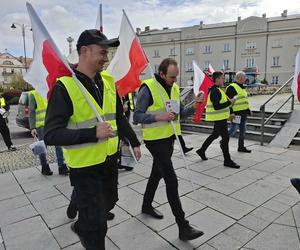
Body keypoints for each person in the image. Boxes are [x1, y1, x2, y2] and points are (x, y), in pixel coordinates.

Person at [44, 29, 141, 250]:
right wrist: (92, 133)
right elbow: (50, 134)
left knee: (109, 203)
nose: (106, 59)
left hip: (108, 161)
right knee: (97, 227)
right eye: (102, 52)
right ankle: (86, 228)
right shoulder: (65, 87)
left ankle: (82, 223)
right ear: (85, 51)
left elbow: (117, 116)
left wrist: (133, 140)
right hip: (85, 168)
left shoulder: (107, 81)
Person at [134, 58, 204, 241]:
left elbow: (180, 112)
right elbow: (137, 116)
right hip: (155, 141)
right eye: (172, 77)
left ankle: (146, 205)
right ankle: (183, 226)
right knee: (171, 180)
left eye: (176, 77)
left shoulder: (173, 87)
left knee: (156, 174)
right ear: (162, 73)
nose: (175, 80)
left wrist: (194, 104)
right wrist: (160, 117)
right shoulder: (148, 87)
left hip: (168, 139)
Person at [196, 71, 240, 168]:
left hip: (221, 118)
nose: (224, 80)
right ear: (217, 79)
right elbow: (217, 106)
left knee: (215, 135)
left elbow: (223, 104)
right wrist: (230, 102)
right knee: (225, 138)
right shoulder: (215, 91)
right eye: (222, 78)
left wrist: (230, 110)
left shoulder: (218, 90)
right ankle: (227, 160)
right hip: (219, 118)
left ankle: (201, 150)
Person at [29, 90, 69, 176]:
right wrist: (32, 127)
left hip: (53, 123)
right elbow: (31, 111)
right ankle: (45, 166)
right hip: (42, 125)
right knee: (43, 147)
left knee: (57, 145)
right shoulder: (33, 94)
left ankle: (61, 166)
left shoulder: (51, 90)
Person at [226, 71, 251, 153]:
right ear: (240, 78)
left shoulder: (242, 87)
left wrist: (248, 110)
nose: (246, 79)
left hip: (243, 113)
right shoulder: (231, 87)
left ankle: (241, 147)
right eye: (245, 78)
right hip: (236, 114)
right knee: (233, 130)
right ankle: (223, 141)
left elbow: (244, 100)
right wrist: (231, 112)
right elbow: (228, 102)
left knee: (243, 131)